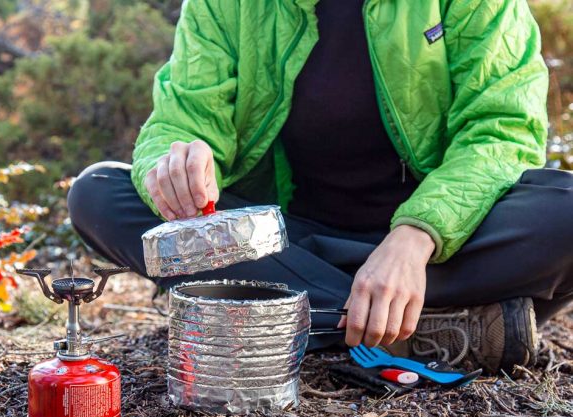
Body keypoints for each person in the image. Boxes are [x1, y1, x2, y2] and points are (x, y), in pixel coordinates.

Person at [68, 0, 573, 374]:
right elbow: (183, 119)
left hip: (440, 251)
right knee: (99, 194)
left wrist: (416, 238)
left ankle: (303, 318)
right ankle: (432, 328)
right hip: (286, 243)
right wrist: (178, 159)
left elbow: (501, 133)